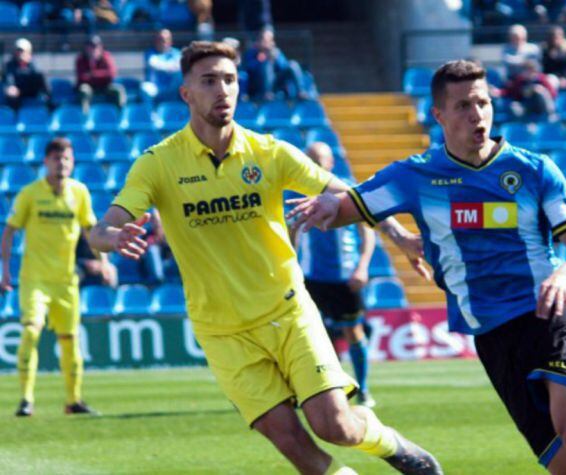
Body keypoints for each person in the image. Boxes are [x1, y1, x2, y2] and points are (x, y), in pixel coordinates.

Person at [87, 41, 441, 475]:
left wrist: (399, 234)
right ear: (186, 93)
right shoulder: (158, 164)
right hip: (222, 331)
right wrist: (111, 236)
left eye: (230, 80)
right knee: (294, 445)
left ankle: (390, 444)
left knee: (335, 427)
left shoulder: (269, 153)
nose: (223, 90)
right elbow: (103, 227)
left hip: (287, 310)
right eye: (210, 81)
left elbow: (343, 193)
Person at [288, 60, 566, 475]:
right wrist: (325, 205)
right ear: (439, 115)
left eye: (482, 102)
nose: (476, 114)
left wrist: (564, 274)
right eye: (463, 105)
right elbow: (347, 206)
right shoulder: (417, 176)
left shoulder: (533, 171)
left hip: (551, 313)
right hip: (492, 333)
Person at [1, 137, 101, 417]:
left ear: (73, 162)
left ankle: (73, 401)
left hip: (66, 281)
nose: (62, 163)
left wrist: (103, 262)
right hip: (35, 279)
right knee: (31, 331)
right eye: (57, 159)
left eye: (67, 159)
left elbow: (89, 230)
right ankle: (26, 399)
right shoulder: (30, 193)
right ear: (46, 161)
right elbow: (9, 231)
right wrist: (5, 271)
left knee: (70, 340)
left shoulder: (80, 192)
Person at [298, 142, 377, 408]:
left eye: (320, 160)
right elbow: (292, 233)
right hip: (310, 277)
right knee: (307, 334)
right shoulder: (297, 192)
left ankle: (363, 389)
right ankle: (314, 391)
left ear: (331, 163)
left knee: (353, 331)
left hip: (344, 277)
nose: (316, 165)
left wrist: (362, 266)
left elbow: (368, 231)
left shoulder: (347, 193)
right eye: (311, 160)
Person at [242, 28, 306, 101]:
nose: (267, 43)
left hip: (276, 83)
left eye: (269, 40)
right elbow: (248, 68)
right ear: (259, 41)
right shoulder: (252, 52)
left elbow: (284, 67)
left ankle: (301, 92)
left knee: (293, 64)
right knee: (267, 64)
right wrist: (261, 61)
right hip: (258, 84)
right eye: (264, 40)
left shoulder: (276, 52)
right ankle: (267, 94)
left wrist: (276, 59)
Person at [75, 35, 126, 112]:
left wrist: (92, 74)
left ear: (100, 47)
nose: (93, 49)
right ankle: (85, 115)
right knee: (84, 90)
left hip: (105, 86)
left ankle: (121, 114)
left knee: (119, 89)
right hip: (90, 87)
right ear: (86, 48)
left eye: (95, 46)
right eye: (90, 46)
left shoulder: (106, 56)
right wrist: (101, 74)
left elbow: (111, 74)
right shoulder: (80, 59)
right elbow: (82, 77)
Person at [2, 38, 51, 110]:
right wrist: (10, 88)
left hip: (31, 91)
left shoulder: (34, 65)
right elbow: (9, 81)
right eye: (18, 51)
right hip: (18, 92)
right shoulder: (9, 65)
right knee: (12, 97)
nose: (20, 53)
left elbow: (40, 81)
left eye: (22, 51)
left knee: (46, 98)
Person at [143, 29, 183, 102]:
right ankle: (151, 112)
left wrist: (168, 67)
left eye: (164, 40)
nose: (161, 42)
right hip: (155, 87)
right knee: (145, 88)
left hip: (172, 88)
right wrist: (171, 67)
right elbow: (154, 64)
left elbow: (180, 67)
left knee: (180, 77)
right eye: (159, 40)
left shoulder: (177, 53)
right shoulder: (150, 53)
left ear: (170, 42)